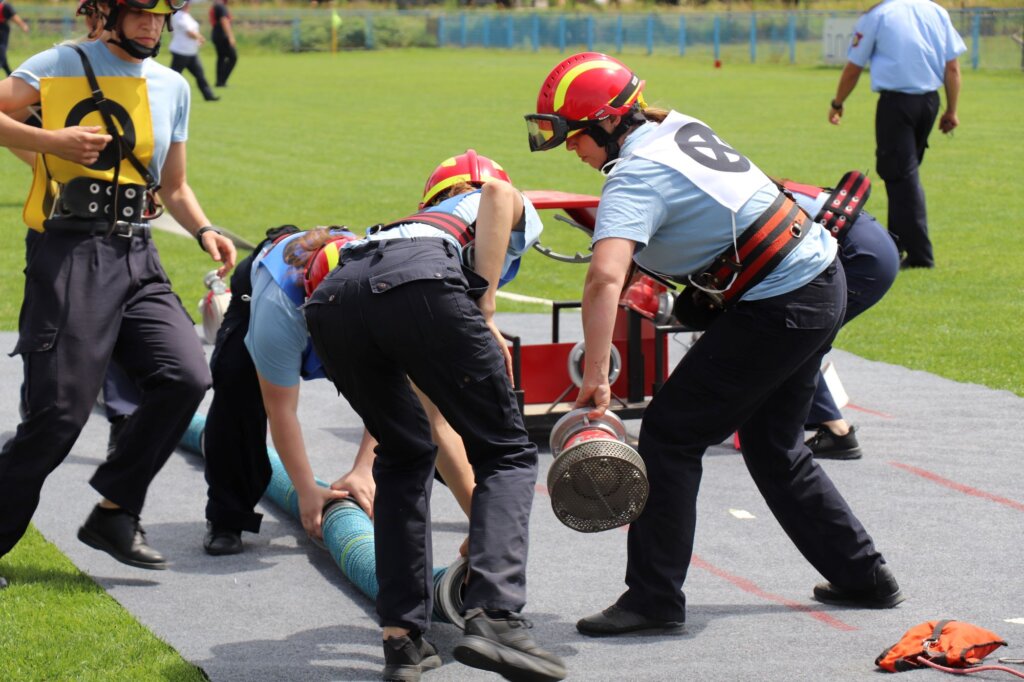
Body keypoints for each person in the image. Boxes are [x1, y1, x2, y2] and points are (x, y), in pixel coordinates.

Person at [525, 52, 904, 638]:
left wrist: (595, 375)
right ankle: (864, 576)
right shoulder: (674, 127)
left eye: (575, 137)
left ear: (606, 124)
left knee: (671, 435)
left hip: (779, 303)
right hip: (818, 280)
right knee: (773, 445)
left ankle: (653, 598)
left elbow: (602, 277)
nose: (573, 151)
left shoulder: (633, 174)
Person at [305, 151, 566, 682]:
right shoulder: (484, 197)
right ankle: (495, 615)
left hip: (334, 300)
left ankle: (401, 639)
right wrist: (485, 310)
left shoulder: (402, 227)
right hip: (423, 288)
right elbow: (499, 196)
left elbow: (429, 397)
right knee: (508, 451)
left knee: (404, 455)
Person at [0, 0, 237, 580]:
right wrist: (52, 142)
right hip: (69, 252)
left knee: (187, 376)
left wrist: (204, 227)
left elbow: (174, 185)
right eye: (139, 13)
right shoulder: (58, 62)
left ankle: (115, 511)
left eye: (160, 16)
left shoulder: (171, 85)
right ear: (106, 11)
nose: (152, 25)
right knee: (58, 416)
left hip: (139, 253)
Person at [203, 224, 476, 557]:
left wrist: (363, 470)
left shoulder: (387, 295)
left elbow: (391, 388)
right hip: (263, 286)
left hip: (355, 295)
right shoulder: (278, 310)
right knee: (236, 390)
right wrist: (306, 491)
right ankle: (226, 516)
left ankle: (437, 473)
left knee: (414, 408)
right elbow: (281, 410)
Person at [829, 0, 966, 269]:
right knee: (901, 175)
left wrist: (837, 102)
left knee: (902, 175)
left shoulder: (879, 15)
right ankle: (897, 244)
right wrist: (951, 110)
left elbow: (854, 66)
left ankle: (919, 255)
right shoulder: (936, 11)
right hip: (929, 102)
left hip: (896, 105)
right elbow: (952, 67)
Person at [779, 174, 900, 460]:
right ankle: (816, 423)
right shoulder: (762, 187)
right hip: (867, 242)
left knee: (795, 339)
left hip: (861, 256)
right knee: (795, 338)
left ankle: (837, 431)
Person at [169, 0, 217, 102]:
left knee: (200, 75)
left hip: (191, 52)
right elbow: (189, 32)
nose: (188, 6)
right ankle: (167, 95)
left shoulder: (186, 15)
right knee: (173, 76)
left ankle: (209, 96)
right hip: (181, 52)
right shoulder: (179, 15)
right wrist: (200, 37)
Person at [208, 0, 235, 88]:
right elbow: (224, 20)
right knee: (233, 57)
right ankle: (222, 80)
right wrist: (230, 36)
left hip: (216, 35)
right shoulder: (221, 6)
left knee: (221, 58)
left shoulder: (216, 5)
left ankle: (220, 82)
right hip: (222, 36)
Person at [0, 0, 30, 77]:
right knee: (2, 49)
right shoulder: (5, 5)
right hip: (2, 29)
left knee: (1, 51)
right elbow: (14, 16)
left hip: (2, 28)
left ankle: (8, 72)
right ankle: (6, 68)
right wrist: (23, 25)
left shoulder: (4, 6)